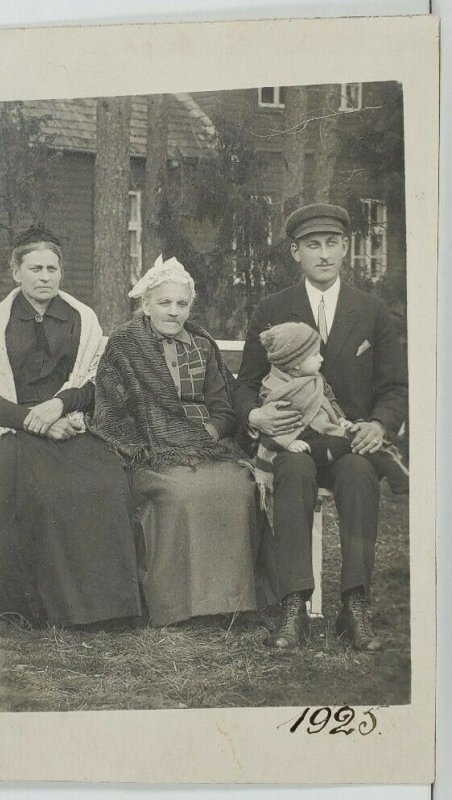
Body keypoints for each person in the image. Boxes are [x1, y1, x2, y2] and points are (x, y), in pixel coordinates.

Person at [235, 203, 408, 652]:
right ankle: (295, 605)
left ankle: (355, 605)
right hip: (294, 443)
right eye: (313, 245)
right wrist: (255, 416)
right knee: (293, 475)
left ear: (346, 247)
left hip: (350, 443)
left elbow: (394, 387)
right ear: (296, 252)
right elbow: (246, 386)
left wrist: (379, 423)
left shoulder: (372, 311)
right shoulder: (273, 309)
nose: (324, 254)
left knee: (358, 475)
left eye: (332, 244)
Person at [88, 255, 275, 627]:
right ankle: (177, 607)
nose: (173, 312)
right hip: (153, 451)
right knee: (179, 493)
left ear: (190, 307)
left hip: (206, 447)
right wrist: (162, 440)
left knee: (240, 486)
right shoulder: (126, 345)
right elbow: (111, 410)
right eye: (164, 303)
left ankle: (232, 603)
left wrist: (208, 433)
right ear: (146, 305)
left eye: (181, 304)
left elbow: (223, 407)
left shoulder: (203, 345)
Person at [0, 224, 141, 626]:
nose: (45, 277)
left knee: (107, 480)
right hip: (13, 428)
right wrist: (33, 420)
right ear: (16, 272)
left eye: (52, 269)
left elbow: (96, 383)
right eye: (36, 268)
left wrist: (59, 406)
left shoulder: (80, 318)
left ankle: (107, 609)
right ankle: (42, 610)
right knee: (38, 489)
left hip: (69, 420)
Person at [253, 321, 409, 507]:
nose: (321, 359)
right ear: (295, 364)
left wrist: (341, 419)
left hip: (322, 437)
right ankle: (388, 462)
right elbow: (273, 424)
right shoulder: (275, 389)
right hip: (303, 439)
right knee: (347, 442)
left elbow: (330, 400)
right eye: (314, 354)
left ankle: (389, 465)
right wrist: (289, 442)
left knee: (347, 441)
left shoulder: (317, 380)